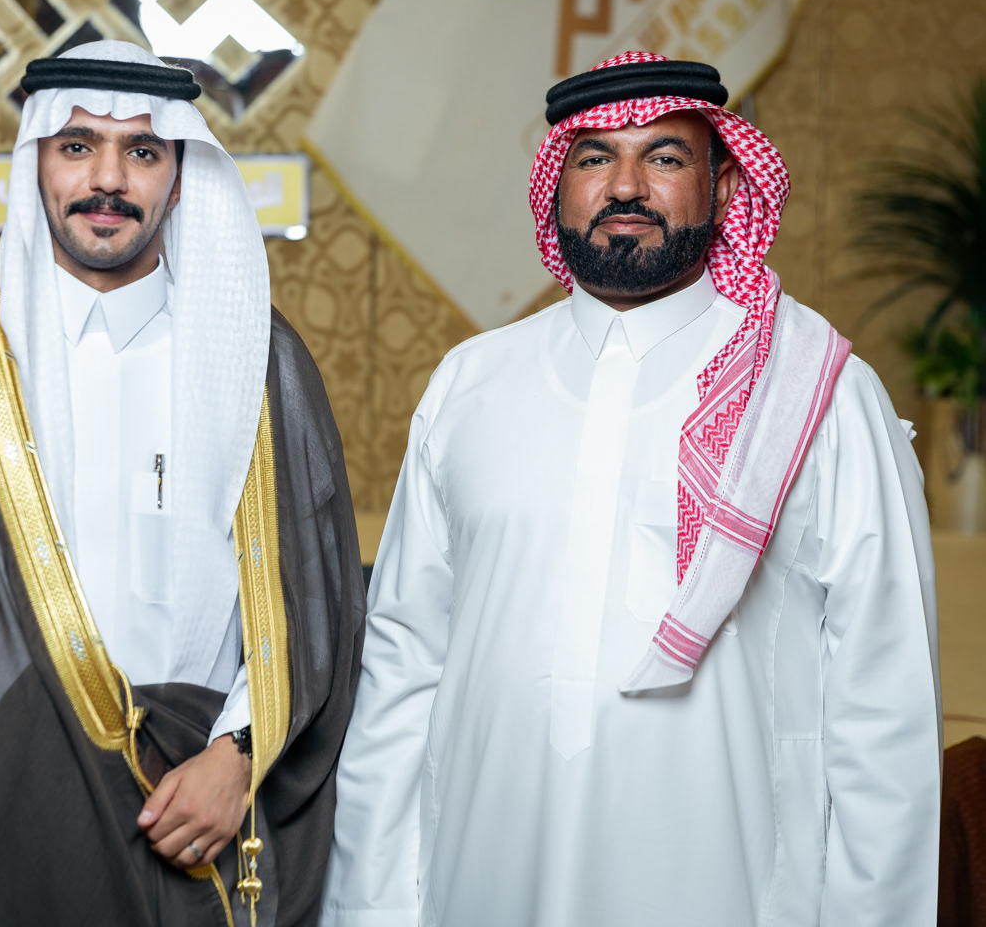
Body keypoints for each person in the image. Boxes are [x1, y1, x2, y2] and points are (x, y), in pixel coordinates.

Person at [321, 52, 940, 926]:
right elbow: (402, 666)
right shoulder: (471, 382)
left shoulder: (818, 394)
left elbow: (885, 704)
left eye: (665, 157)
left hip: (734, 890)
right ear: (556, 188)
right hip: (482, 877)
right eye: (595, 157)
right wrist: (370, 909)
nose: (625, 186)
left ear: (726, 185)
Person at [0, 40, 366, 927]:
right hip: (8, 807)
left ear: (179, 177)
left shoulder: (256, 359)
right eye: (78, 146)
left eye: (143, 151)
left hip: (196, 810)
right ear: (36, 163)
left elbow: (316, 603)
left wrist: (237, 759)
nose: (108, 179)